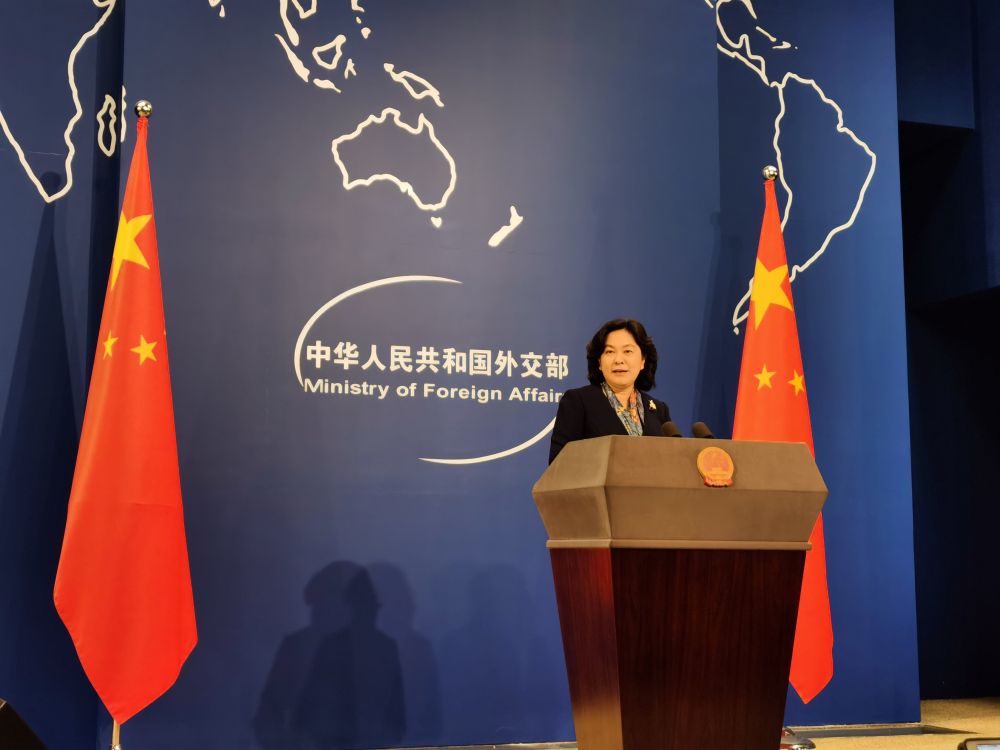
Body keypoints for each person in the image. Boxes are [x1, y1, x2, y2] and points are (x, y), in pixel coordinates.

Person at [549, 318, 671, 463]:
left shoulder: (658, 410)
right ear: (599, 362)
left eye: (627, 351)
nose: (618, 360)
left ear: (643, 361)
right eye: (609, 352)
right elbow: (558, 463)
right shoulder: (578, 401)